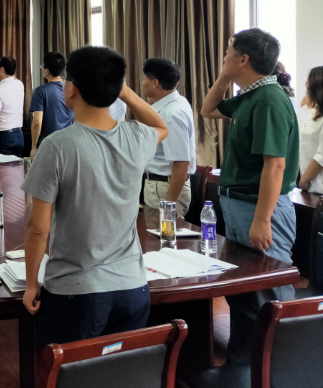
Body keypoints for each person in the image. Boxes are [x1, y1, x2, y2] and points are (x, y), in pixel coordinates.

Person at [21, 46, 168, 346]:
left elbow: (38, 228)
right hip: (132, 289)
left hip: (76, 293)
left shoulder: (57, 145)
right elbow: (160, 125)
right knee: (120, 367)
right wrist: (124, 93)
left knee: (68, 368)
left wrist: (31, 283)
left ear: (71, 88)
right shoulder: (137, 136)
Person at [201, 28, 298, 365]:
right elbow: (208, 109)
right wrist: (224, 77)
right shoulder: (250, 96)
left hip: (258, 208)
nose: (224, 58)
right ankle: (243, 364)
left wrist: (262, 220)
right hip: (240, 205)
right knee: (244, 292)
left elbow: (275, 166)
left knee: (269, 296)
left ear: (243, 59)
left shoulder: (269, 99)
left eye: (228, 53)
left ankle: (284, 368)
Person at [141, 58, 196, 228]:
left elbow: (181, 162)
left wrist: (169, 205)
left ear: (155, 82)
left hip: (166, 188)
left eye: (144, 79)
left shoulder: (171, 114)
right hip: (161, 186)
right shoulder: (173, 103)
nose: (142, 83)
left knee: (162, 238)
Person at [29, 52, 73, 158]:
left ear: (47, 71)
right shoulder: (71, 90)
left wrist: (34, 147)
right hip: (69, 144)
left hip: (49, 145)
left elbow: (37, 123)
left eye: (43, 67)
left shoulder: (40, 91)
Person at [0, 56, 25, 157]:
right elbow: (14, 78)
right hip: (19, 135)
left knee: (2, 166)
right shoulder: (20, 84)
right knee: (17, 166)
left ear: (2, 70)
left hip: (4, 137)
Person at [299, 66, 323, 194]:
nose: (306, 87)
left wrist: (304, 179)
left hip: (318, 187)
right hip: (311, 186)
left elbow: (321, 156)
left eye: (308, 84)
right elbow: (303, 103)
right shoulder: (315, 112)